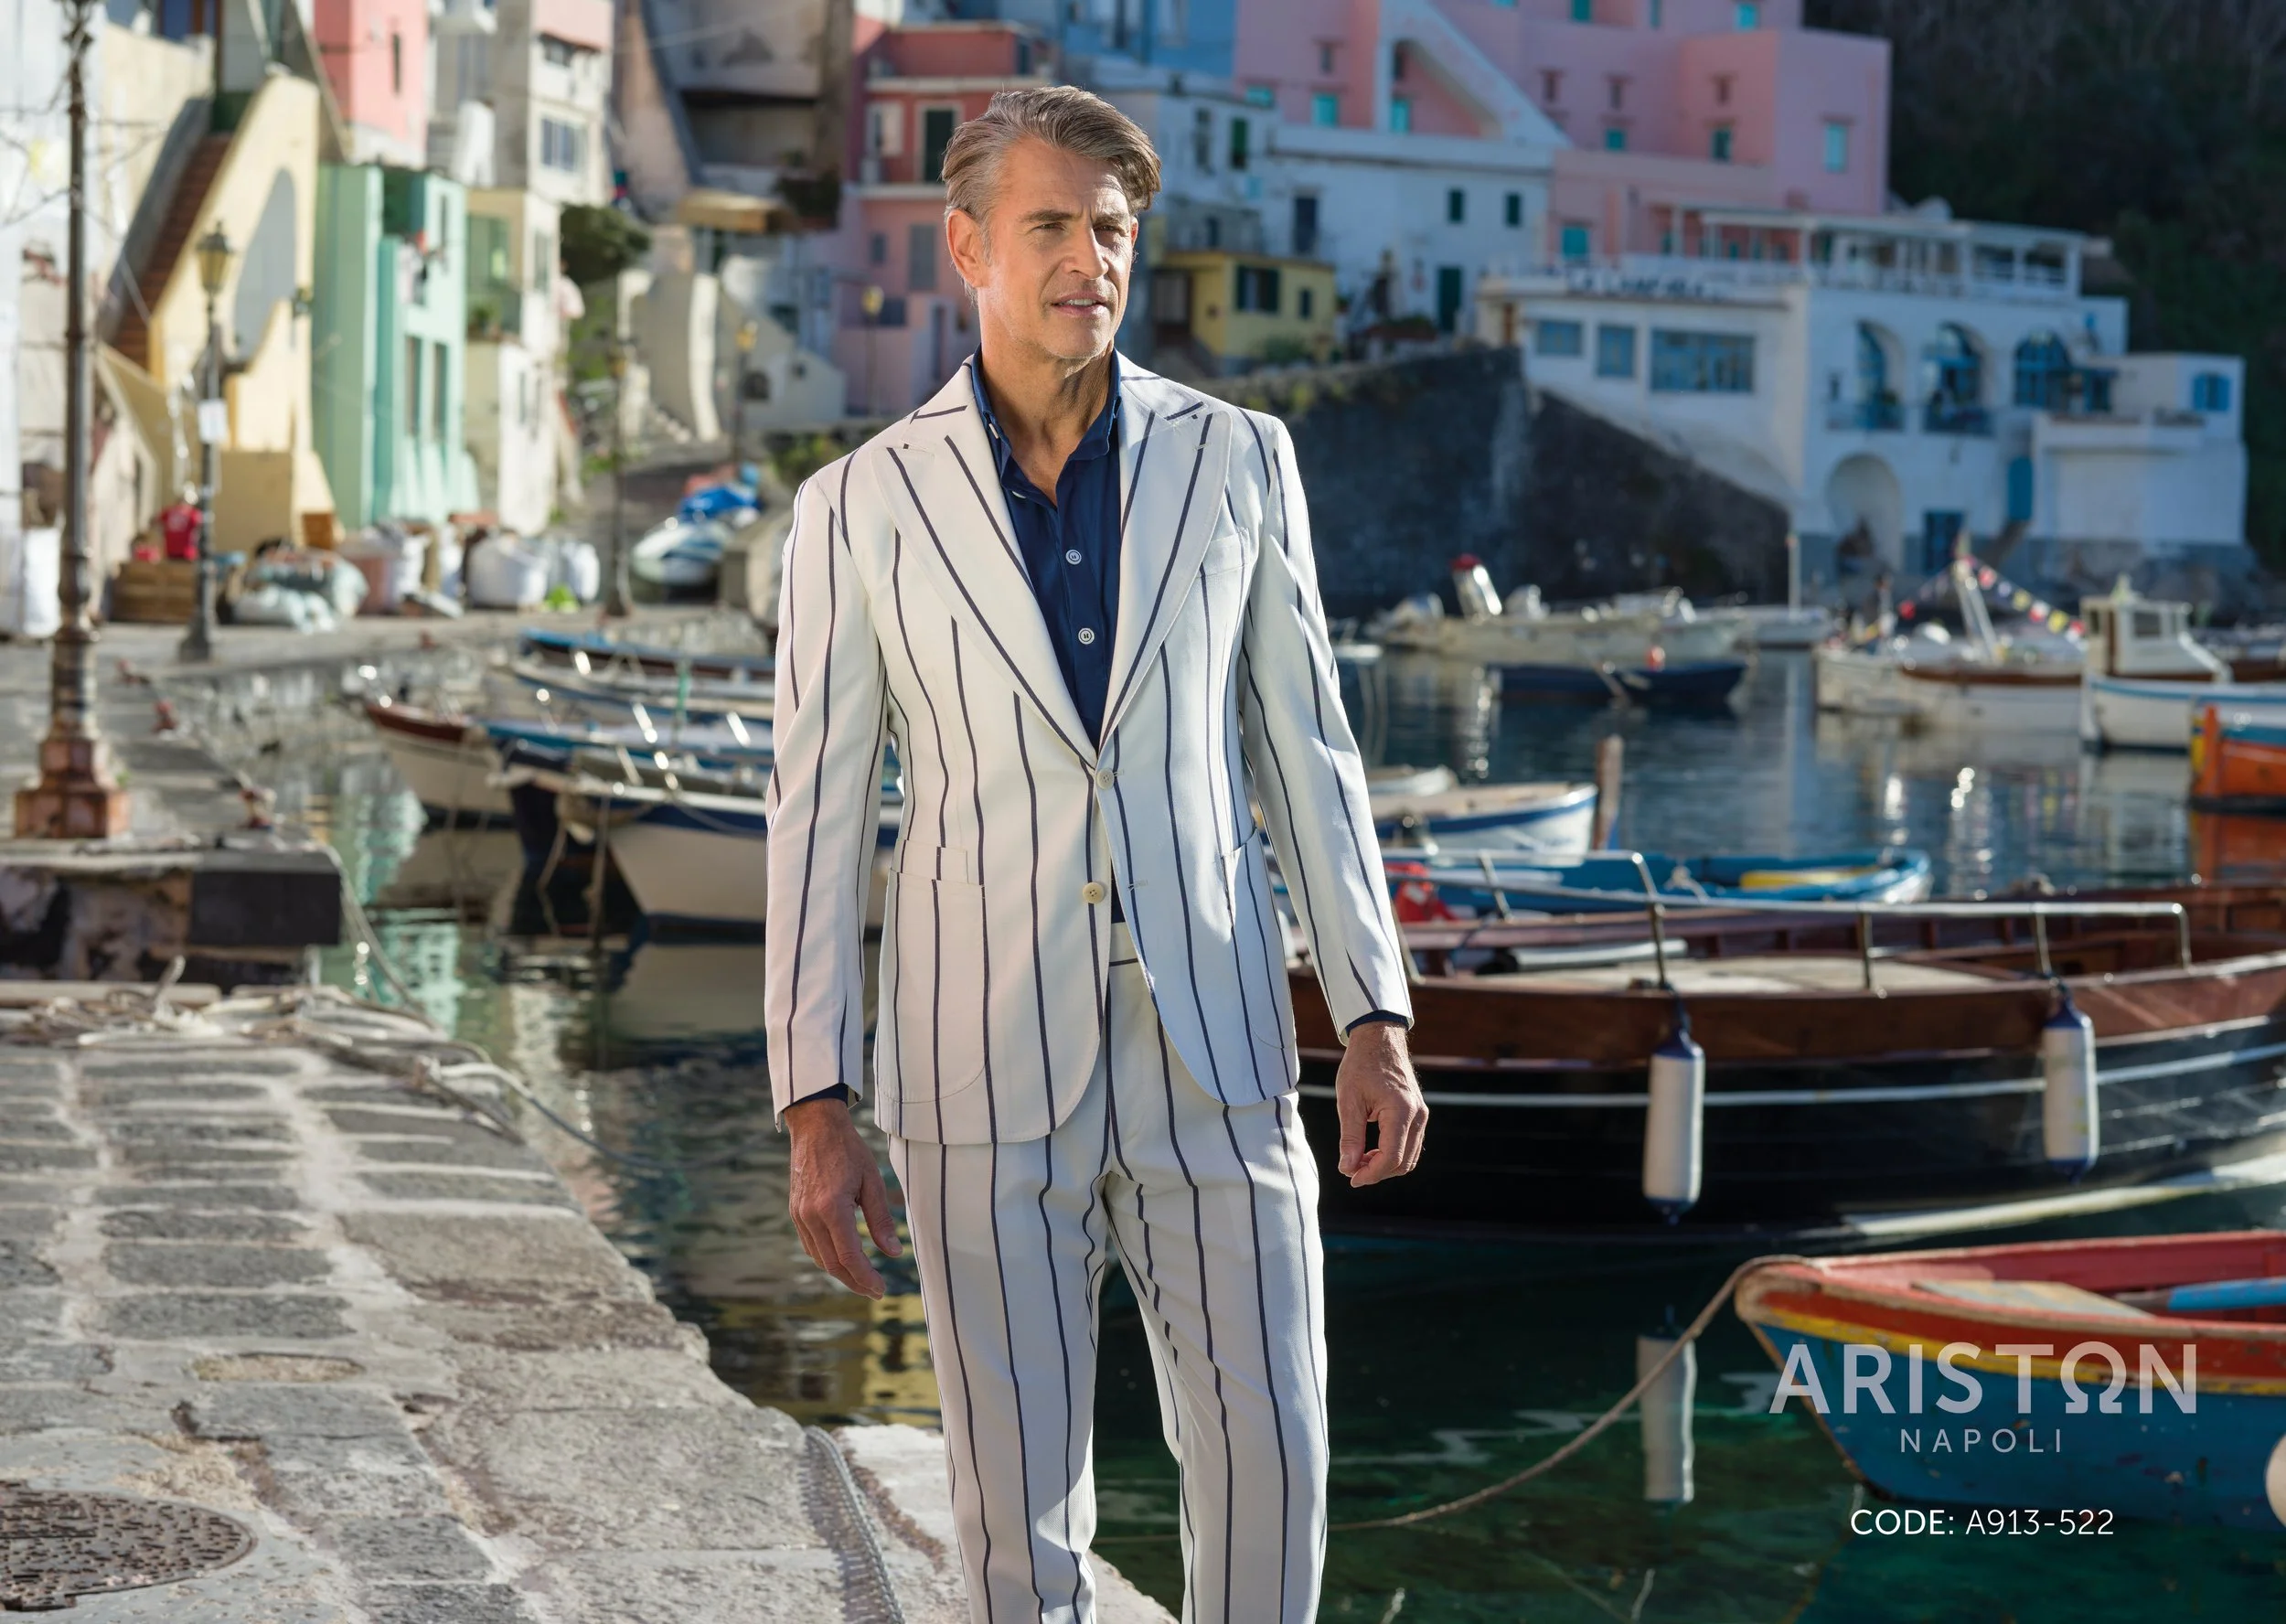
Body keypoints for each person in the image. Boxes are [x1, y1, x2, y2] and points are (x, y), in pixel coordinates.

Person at [764, 86, 1426, 1624]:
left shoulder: (1241, 460)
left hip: (1220, 1041)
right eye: (1051, 226)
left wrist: (1376, 1021)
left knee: (1275, 1454)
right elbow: (817, 812)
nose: (1087, 260)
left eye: (1111, 230)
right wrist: (814, 1098)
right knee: (1016, 1512)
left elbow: (1307, 757)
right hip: (975, 1057)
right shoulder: (855, 508)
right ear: (968, 248)